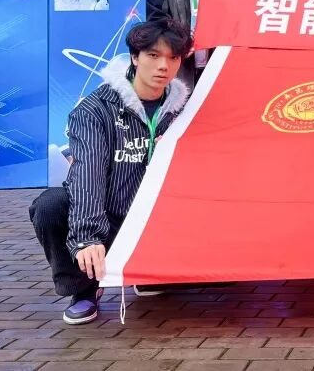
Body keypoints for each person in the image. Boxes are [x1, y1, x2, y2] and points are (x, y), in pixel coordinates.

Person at [29, 19, 193, 325]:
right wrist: (87, 237)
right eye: (153, 56)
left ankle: (148, 272)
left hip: (159, 219)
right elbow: (87, 174)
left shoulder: (185, 109)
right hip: (111, 218)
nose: (164, 66)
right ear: (135, 58)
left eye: (173, 58)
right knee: (50, 205)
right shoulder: (94, 110)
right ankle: (85, 288)